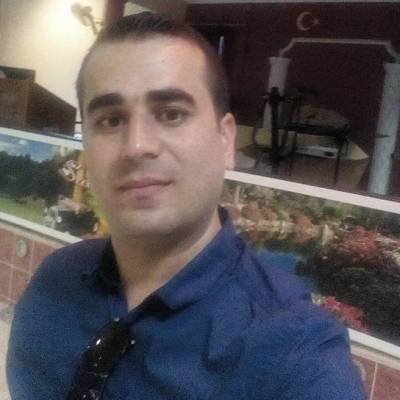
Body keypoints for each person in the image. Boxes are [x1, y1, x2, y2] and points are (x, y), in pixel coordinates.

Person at [7, 12, 366, 400]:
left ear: (225, 140)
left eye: (171, 114)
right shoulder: (55, 281)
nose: (137, 146)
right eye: (110, 120)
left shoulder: (296, 357)